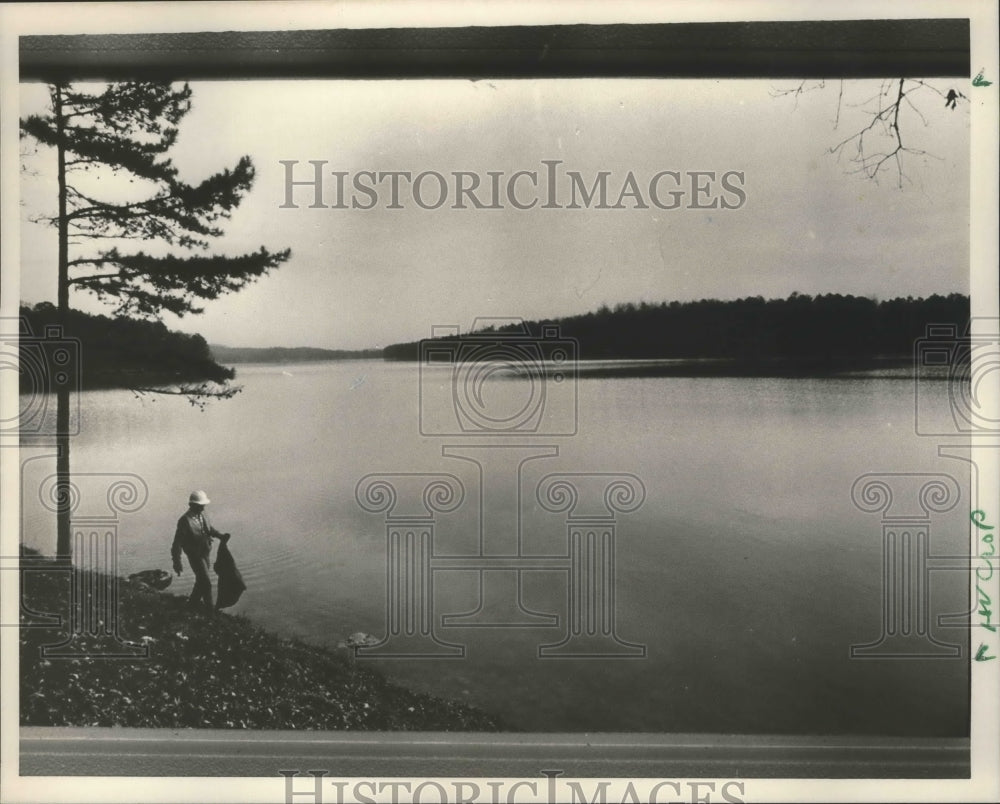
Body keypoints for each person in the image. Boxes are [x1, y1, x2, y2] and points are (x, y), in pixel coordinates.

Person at [171, 490, 227, 613]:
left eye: (203, 506)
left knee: (201, 580)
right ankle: (210, 612)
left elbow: (209, 529)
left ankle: (192, 605)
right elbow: (177, 543)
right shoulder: (184, 520)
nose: (203, 508)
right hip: (195, 555)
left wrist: (220, 536)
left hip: (205, 552)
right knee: (206, 582)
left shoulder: (202, 515)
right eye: (200, 506)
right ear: (192, 505)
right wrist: (177, 562)